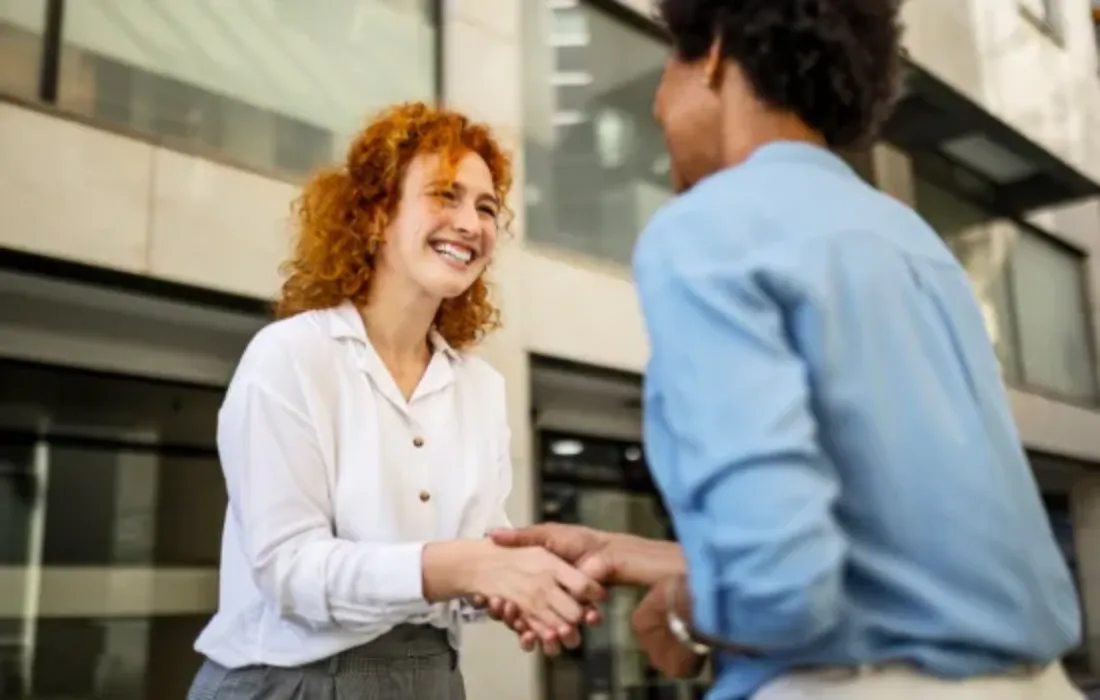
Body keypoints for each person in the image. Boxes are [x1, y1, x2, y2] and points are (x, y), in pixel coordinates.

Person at [491, 0, 1085, 698]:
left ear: (713, 55)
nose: (656, 106)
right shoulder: (914, 240)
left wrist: (685, 614)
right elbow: (907, 549)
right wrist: (630, 554)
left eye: (666, 68)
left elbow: (780, 585)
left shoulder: (710, 228)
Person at [187, 102, 602, 700]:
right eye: (445, 195)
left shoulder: (481, 387)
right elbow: (290, 571)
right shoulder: (290, 356)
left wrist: (524, 576)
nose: (472, 222)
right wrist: (470, 567)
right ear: (377, 214)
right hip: (288, 684)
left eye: (486, 208)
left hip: (433, 679)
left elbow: (474, 555)